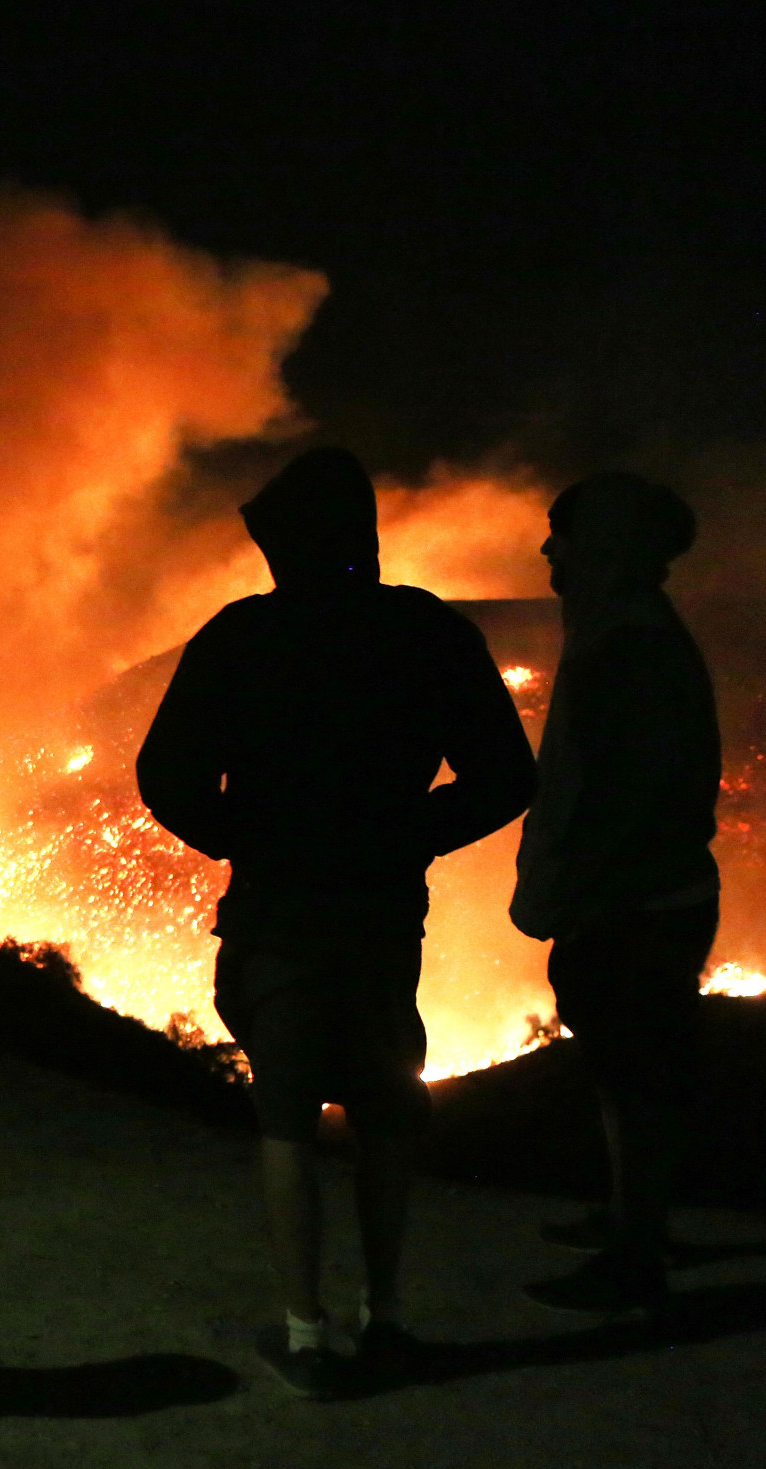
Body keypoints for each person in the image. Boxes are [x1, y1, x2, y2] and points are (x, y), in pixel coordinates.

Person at [138, 447, 536, 1397]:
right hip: (381, 915)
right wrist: (414, 834)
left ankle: (306, 1336)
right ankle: (387, 1317)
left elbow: (166, 775)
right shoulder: (426, 634)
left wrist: (246, 837)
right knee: (383, 1110)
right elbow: (507, 776)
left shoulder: (242, 639)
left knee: (286, 1116)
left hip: (278, 918)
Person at [511, 474, 719, 1318]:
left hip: (634, 905)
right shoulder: (620, 633)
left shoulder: (630, 648)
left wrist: (575, 892)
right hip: (638, 899)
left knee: (634, 1073)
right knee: (624, 1067)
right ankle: (633, 1220)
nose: (547, 548)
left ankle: (636, 1256)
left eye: (562, 532)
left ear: (608, 544)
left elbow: (623, 795)